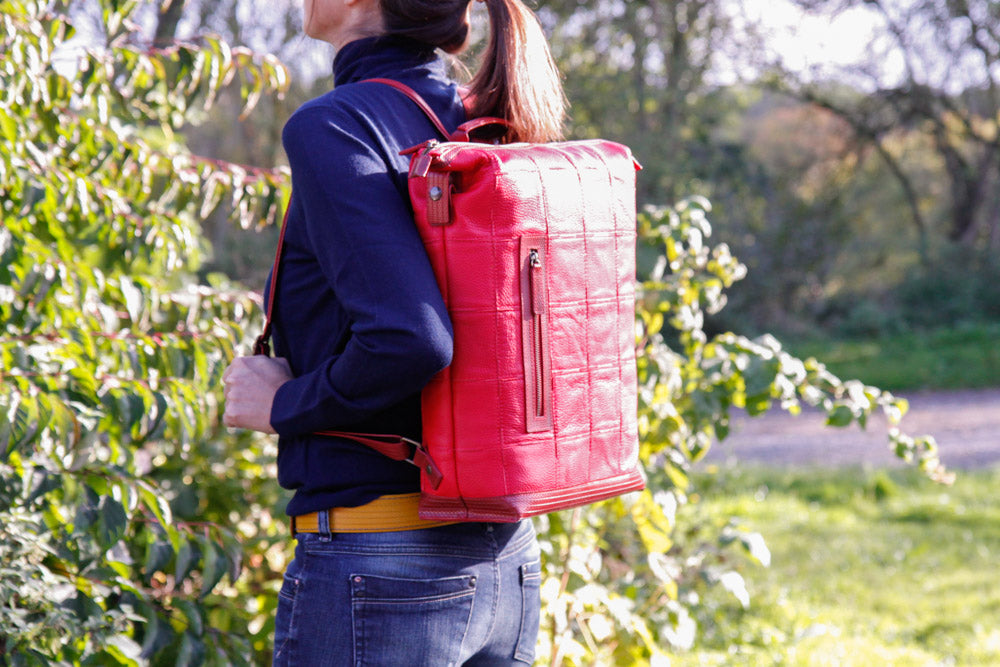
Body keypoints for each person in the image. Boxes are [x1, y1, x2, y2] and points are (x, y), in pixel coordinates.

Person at [221, 0, 566, 663]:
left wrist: (282, 404)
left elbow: (411, 338)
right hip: (507, 559)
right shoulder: (482, 115)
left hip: (383, 562)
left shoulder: (337, 125)